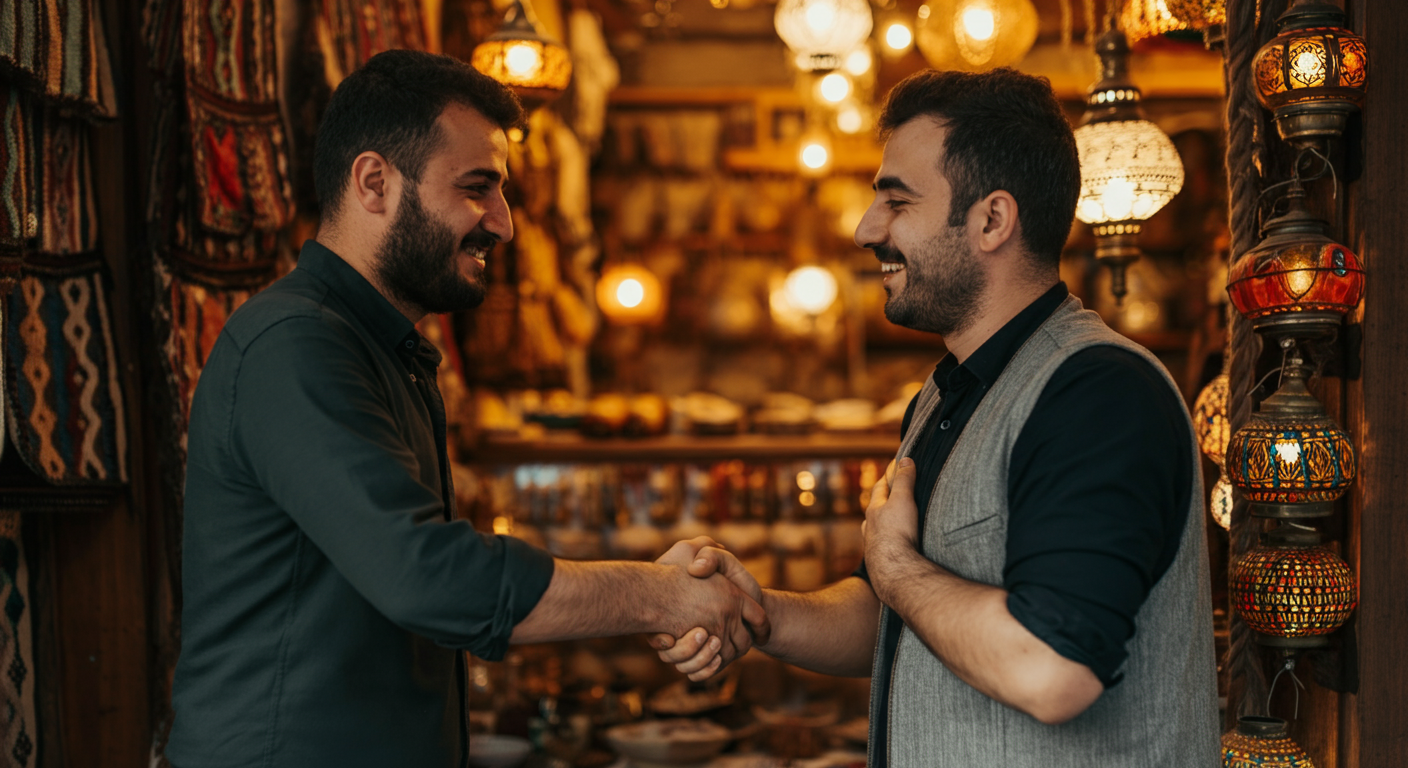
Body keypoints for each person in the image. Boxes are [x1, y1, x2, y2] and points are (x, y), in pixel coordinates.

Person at [167, 50, 766, 768]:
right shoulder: (295, 345)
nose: (504, 225)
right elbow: (428, 577)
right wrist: (658, 596)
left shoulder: (381, 349)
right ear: (374, 183)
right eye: (477, 188)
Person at [656, 68, 1219, 766]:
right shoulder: (946, 391)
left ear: (992, 220)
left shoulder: (1099, 392)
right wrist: (757, 611)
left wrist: (894, 564)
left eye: (897, 201)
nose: (866, 229)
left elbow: (1052, 670)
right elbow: (894, 614)